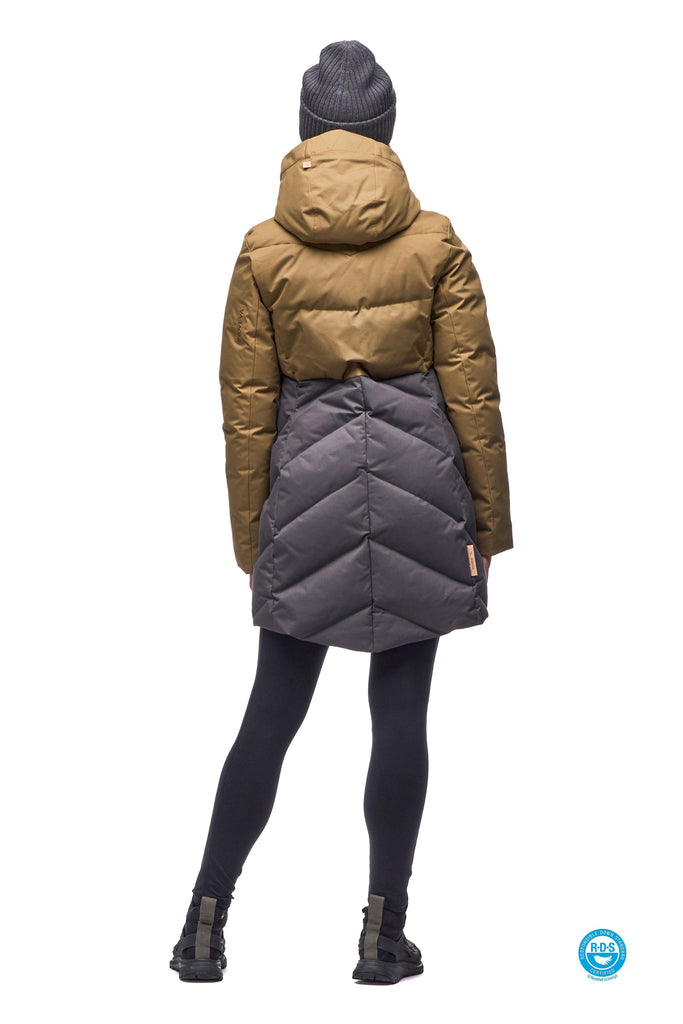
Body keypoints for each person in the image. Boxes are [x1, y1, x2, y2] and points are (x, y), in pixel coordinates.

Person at [170, 39, 513, 985]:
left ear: (306, 130)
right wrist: (487, 528)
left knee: (270, 714)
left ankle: (203, 925)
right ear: (387, 131)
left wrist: (255, 539)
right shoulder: (435, 241)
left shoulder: (263, 248)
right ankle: (381, 936)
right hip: (421, 494)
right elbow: (473, 397)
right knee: (400, 714)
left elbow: (246, 409)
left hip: (304, 498)